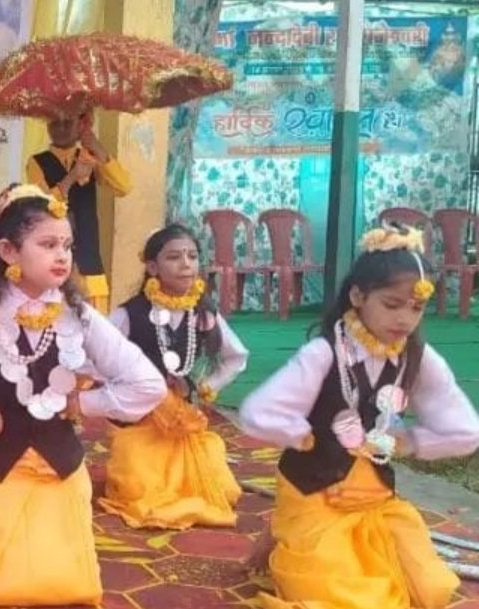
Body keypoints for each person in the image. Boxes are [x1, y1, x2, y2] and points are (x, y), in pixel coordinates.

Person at [0, 184, 166, 606]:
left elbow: (148, 384)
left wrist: (83, 404)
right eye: (47, 245)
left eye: (67, 246)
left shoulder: (79, 315)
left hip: (59, 464)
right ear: (8, 251)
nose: (62, 256)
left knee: (66, 585)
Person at [239, 224, 479, 609]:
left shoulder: (416, 357)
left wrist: (413, 441)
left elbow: (466, 430)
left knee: (430, 587)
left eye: (416, 308)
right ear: (357, 296)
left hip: (373, 493)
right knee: (348, 596)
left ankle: (286, 533)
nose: (405, 319)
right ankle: (287, 529)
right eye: (392, 304)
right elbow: (258, 412)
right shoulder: (324, 353)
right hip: (313, 487)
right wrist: (300, 433)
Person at [99, 224, 248, 529]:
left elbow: (237, 357)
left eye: (192, 256)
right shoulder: (130, 313)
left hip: (183, 419)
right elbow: (97, 356)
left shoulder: (203, 312)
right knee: (137, 485)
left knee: (218, 483)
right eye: (174, 257)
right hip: (141, 419)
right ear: (152, 267)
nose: (186, 264)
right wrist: (124, 391)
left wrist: (205, 387)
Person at [25, 111, 132, 312]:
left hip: (88, 260)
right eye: (54, 123)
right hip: (52, 261)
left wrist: (96, 147)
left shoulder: (90, 157)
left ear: (80, 125)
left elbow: (123, 187)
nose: (61, 129)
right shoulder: (37, 162)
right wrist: (72, 177)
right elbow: (41, 205)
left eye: (67, 122)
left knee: (94, 324)